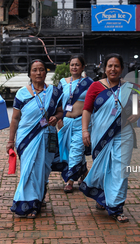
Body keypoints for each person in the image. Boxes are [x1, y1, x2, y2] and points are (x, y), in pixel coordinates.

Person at [80, 53, 140, 223]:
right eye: (109, 66)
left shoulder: (129, 87)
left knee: (120, 168)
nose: (113, 69)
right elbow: (87, 110)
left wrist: (136, 113)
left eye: (116, 66)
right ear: (104, 68)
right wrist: (85, 131)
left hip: (124, 132)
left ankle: (115, 206)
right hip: (101, 134)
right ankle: (102, 194)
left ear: (121, 69)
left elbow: (139, 107)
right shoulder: (95, 87)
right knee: (103, 166)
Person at [7, 59, 63, 218]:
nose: (38, 73)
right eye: (34, 70)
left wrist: (56, 118)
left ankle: (38, 199)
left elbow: (60, 112)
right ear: (30, 73)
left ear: (46, 72)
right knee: (28, 170)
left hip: (47, 136)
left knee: (42, 171)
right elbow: (15, 119)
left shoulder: (54, 92)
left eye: (41, 69)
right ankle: (28, 204)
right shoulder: (22, 93)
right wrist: (10, 141)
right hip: (27, 138)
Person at [56, 55, 94, 193]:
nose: (74, 67)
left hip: (81, 122)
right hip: (66, 122)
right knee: (69, 150)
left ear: (83, 67)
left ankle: (69, 180)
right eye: (72, 65)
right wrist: (59, 118)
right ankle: (84, 174)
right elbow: (58, 102)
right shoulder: (63, 82)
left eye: (77, 65)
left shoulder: (89, 83)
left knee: (76, 150)